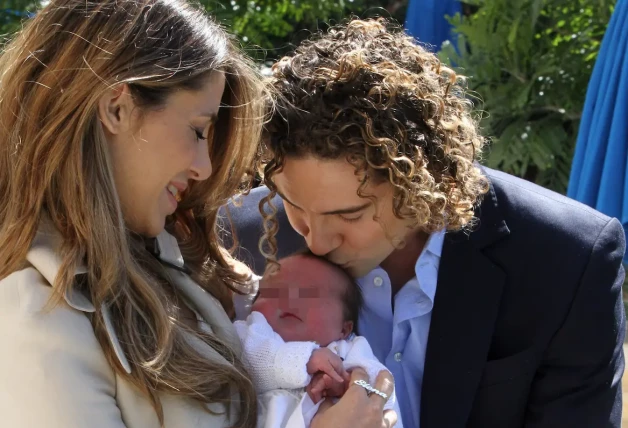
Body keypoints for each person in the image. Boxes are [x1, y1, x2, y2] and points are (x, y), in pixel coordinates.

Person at [0, 3, 395, 428]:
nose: (205, 167)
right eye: (197, 130)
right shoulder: (34, 319)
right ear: (116, 108)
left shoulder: (183, 264)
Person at [220, 18, 627, 428]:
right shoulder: (235, 240)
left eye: (349, 214)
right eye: (293, 204)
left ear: (418, 180)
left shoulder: (568, 262)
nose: (319, 243)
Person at [234, 252, 400, 427]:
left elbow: (382, 390)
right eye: (274, 290)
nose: (289, 298)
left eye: (309, 293)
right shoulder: (253, 330)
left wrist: (345, 382)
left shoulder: (350, 349)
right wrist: (303, 359)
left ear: (344, 329)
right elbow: (243, 360)